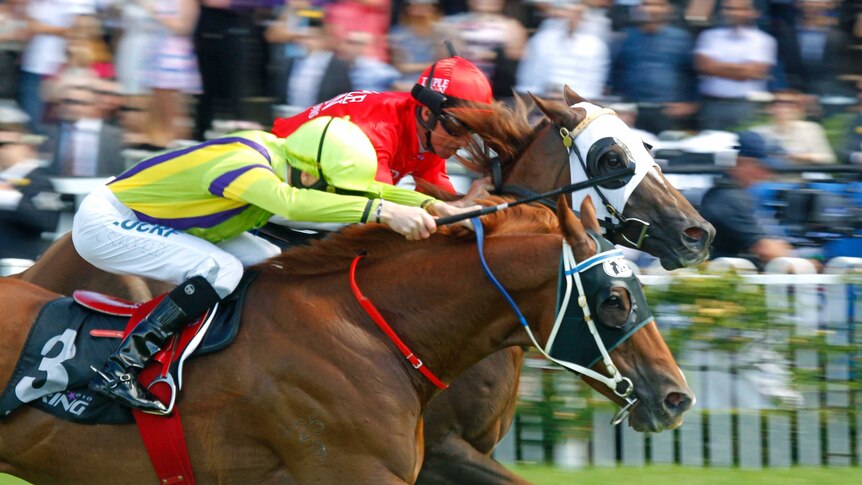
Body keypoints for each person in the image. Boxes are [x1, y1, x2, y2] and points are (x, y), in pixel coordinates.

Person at [74, 116, 476, 413]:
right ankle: (121, 368)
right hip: (108, 223)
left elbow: (364, 189)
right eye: (329, 189)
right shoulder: (245, 163)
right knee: (224, 270)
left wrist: (426, 202)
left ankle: (227, 361)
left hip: (162, 218)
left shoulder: (299, 160)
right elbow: (291, 204)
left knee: (272, 261)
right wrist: (381, 212)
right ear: (306, 172)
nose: (334, 198)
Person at [272, 55, 494, 195]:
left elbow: (436, 196)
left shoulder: (430, 132)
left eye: (472, 130)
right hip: (272, 175)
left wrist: (472, 203)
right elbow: (383, 206)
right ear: (427, 114)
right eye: (458, 128)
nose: (464, 141)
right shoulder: (378, 129)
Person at [699, 130, 794, 267]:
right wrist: (807, 263)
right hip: (724, 277)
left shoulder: (740, 194)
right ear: (738, 163)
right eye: (761, 167)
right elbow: (766, 250)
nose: (766, 174)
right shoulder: (727, 198)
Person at [693, 0, 777, 131]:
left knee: (743, 147)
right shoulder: (709, 36)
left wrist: (716, 67)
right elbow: (704, 67)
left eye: (741, 9)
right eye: (729, 8)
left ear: (754, 12)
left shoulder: (764, 40)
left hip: (746, 106)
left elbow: (753, 72)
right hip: (712, 104)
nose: (734, 13)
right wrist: (740, 69)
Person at [0, 104, 61, 260]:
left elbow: (48, 221)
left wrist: (9, 197)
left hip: (16, 264)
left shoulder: (40, 182)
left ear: (26, 146)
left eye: (5, 145)